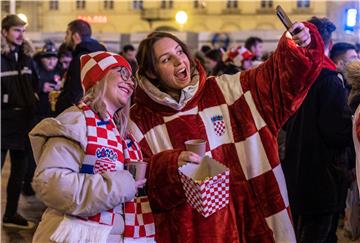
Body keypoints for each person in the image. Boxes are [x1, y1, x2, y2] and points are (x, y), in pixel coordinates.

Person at [128, 21, 324, 242]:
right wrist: (172, 167)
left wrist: (297, 46)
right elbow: (138, 189)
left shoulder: (227, 89)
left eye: (179, 51)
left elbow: (277, 79)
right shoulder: (138, 121)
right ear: (152, 73)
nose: (178, 61)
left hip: (256, 226)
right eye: (166, 59)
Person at [30, 51, 153, 242]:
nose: (130, 83)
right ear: (98, 77)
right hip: (80, 235)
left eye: (131, 78)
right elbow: (50, 184)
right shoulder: (77, 121)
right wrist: (120, 185)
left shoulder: (124, 134)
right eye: (122, 73)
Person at [283, 16, 353, 243]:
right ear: (328, 45)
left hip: (295, 170)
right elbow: (337, 133)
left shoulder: (295, 76)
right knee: (319, 234)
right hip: (323, 177)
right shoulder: (329, 79)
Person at [1, 14, 38, 229]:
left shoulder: (26, 56)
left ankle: (11, 213)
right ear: (5, 32)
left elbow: (34, 83)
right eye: (16, 30)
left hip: (23, 121)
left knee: (19, 172)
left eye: (23, 30)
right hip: (3, 120)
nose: (20, 34)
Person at [55, 19, 106, 115]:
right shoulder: (100, 54)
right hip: (98, 112)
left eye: (67, 34)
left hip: (81, 114)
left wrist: (59, 104)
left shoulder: (81, 59)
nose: (65, 38)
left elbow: (75, 95)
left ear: (76, 36)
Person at [34, 41, 63, 120]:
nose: (51, 62)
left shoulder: (60, 69)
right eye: (48, 58)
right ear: (41, 59)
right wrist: (40, 86)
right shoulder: (35, 70)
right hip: (39, 112)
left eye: (54, 58)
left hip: (56, 112)